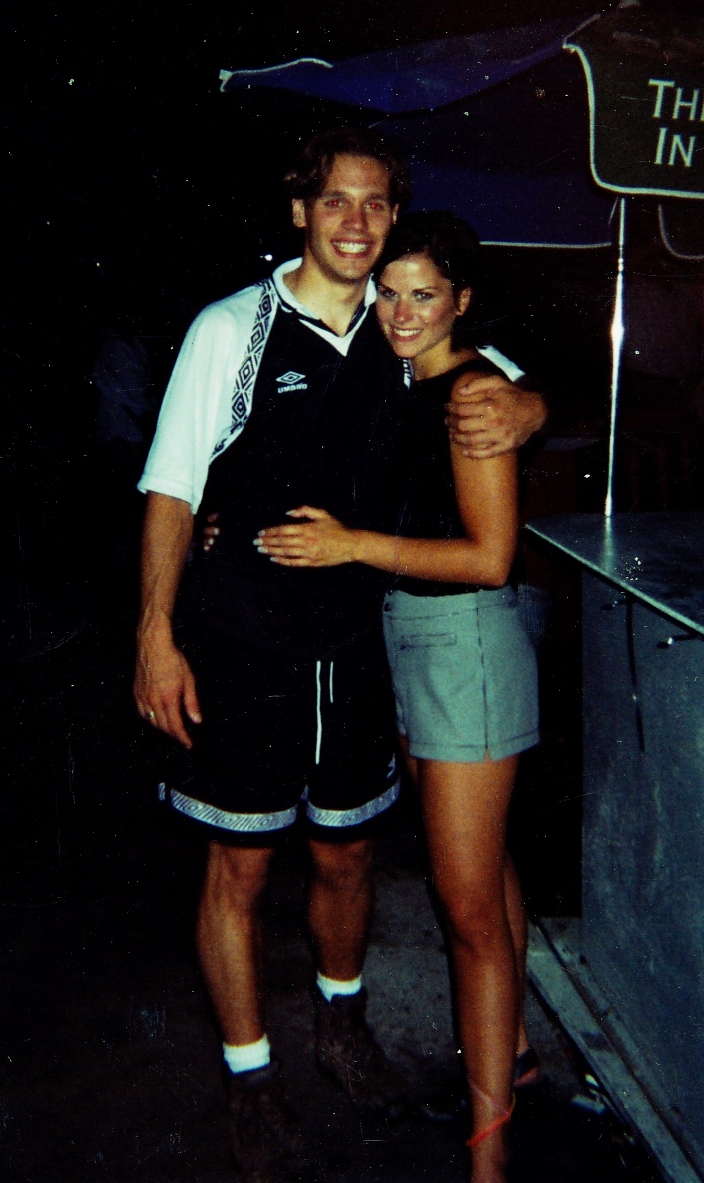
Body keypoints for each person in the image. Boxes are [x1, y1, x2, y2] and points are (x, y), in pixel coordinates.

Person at [133, 128, 545, 1180]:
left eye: (375, 204)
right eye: (334, 201)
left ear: (394, 219)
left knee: (348, 854)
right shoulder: (231, 327)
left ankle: (343, 1026)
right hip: (242, 645)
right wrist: (154, 635)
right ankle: (251, 1077)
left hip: (360, 645)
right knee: (240, 864)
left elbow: (478, 368)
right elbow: (173, 485)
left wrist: (532, 399)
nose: (356, 223)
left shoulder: (393, 326)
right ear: (298, 211)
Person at [253, 211, 539, 1182]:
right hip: (412, 642)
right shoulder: (405, 379)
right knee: (483, 872)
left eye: (424, 294)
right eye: (390, 291)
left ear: (461, 302)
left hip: (464, 644)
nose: (401, 310)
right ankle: (516, 1056)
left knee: (465, 911)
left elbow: (489, 557)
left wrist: (351, 546)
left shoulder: (472, 395)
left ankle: (489, 1156)